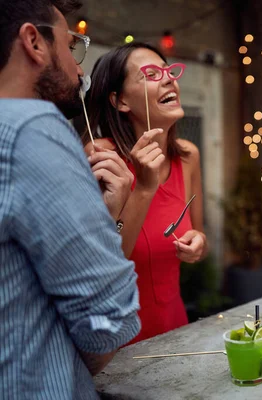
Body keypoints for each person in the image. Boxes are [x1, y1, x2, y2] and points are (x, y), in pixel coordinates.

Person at [0, 0, 141, 398]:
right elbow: (106, 321)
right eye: (71, 45)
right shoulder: (33, 126)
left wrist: (101, 213)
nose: (80, 69)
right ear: (34, 41)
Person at [84, 42, 207, 343]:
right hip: (118, 342)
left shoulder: (188, 155)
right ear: (120, 101)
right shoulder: (101, 157)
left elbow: (200, 236)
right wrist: (144, 188)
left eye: (168, 71)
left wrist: (198, 244)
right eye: (152, 74)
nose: (169, 79)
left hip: (176, 329)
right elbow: (103, 263)